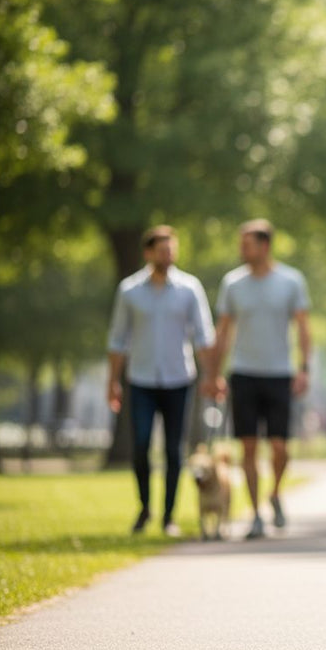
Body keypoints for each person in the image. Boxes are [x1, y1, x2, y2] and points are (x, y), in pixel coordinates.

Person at [107, 225, 215, 537]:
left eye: (172, 250)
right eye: (162, 250)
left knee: (173, 450)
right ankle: (144, 508)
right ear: (148, 253)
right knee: (141, 446)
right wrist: (112, 382)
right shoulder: (129, 291)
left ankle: (169, 516)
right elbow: (117, 339)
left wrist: (211, 376)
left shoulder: (189, 288)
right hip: (140, 379)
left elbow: (204, 336)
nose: (168, 256)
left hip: (179, 379)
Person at [207, 219, 311, 540]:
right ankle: (254, 515)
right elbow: (222, 332)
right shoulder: (233, 284)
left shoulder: (291, 281)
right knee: (248, 448)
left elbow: (303, 328)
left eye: (247, 244)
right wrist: (214, 374)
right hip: (243, 375)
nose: (242, 250)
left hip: (280, 374)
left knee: (280, 448)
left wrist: (304, 368)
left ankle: (275, 493)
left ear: (264, 246)